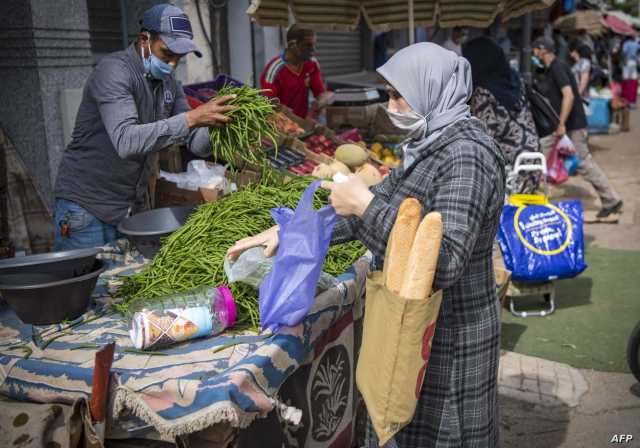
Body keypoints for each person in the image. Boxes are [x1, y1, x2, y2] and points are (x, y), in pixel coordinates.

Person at [229, 43, 506, 447]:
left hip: (452, 334)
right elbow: (365, 212)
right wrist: (288, 233)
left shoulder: (467, 156)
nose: (390, 104)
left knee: (450, 433)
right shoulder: (433, 143)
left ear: (431, 90)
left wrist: (366, 203)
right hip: (417, 326)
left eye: (397, 94)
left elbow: (445, 262)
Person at [53, 4, 236, 251]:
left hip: (129, 206)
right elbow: (127, 141)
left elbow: (196, 144)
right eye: (166, 54)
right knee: (89, 285)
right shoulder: (114, 71)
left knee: (123, 284)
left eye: (178, 58)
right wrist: (193, 118)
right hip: (86, 207)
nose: (172, 65)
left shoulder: (169, 83)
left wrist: (218, 125)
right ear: (144, 40)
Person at [532, 36, 623, 219]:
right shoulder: (552, 68)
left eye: (535, 49)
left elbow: (569, 96)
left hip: (572, 125)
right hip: (566, 125)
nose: (533, 53)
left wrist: (562, 123)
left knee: (583, 162)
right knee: (539, 155)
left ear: (542, 49)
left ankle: (611, 199)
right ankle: (531, 198)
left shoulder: (557, 67)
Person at [463, 36, 539, 168]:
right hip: (532, 156)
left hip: (511, 169)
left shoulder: (483, 93)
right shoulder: (515, 79)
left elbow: (485, 138)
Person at [260, 25, 333, 119]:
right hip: (281, 126)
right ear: (292, 45)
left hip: (303, 124)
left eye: (314, 45)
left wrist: (321, 102)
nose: (313, 50)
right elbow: (268, 103)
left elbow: (320, 93)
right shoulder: (273, 70)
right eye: (308, 45)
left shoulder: (311, 64)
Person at [621, 36, 639, 106]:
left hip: (627, 62)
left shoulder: (626, 44)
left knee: (626, 81)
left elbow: (624, 53)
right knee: (633, 81)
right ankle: (632, 101)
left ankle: (625, 99)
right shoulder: (636, 44)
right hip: (634, 62)